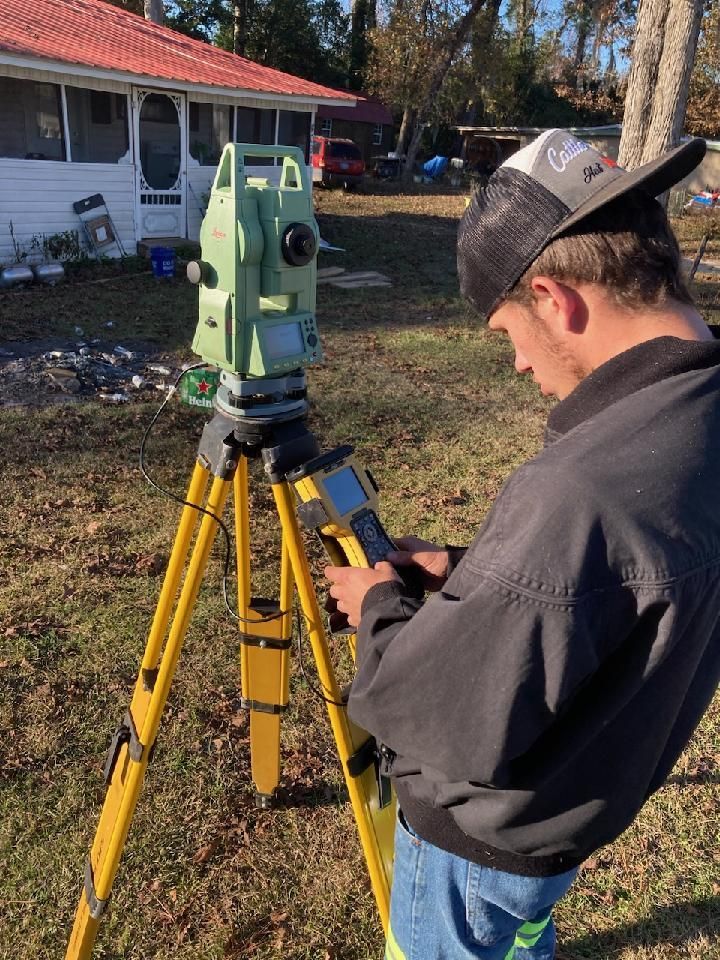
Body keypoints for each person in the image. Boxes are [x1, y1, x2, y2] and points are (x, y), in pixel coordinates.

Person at [325, 128, 720, 960]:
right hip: (580, 806)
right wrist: (477, 574)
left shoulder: (576, 490)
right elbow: (624, 582)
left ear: (555, 298)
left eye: (506, 330)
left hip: (488, 851)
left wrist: (380, 604)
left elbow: (443, 715)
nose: (514, 363)